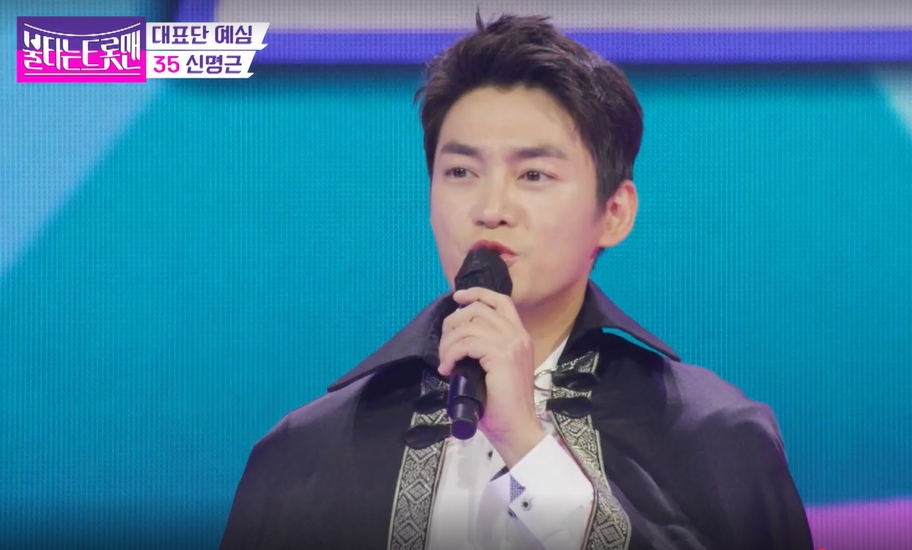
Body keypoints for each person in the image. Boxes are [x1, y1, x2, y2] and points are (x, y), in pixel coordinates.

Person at [218, 12, 814, 550]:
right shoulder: (304, 454)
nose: (490, 208)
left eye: (533, 174)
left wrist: (527, 445)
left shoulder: (714, 439)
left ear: (614, 213)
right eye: (460, 171)